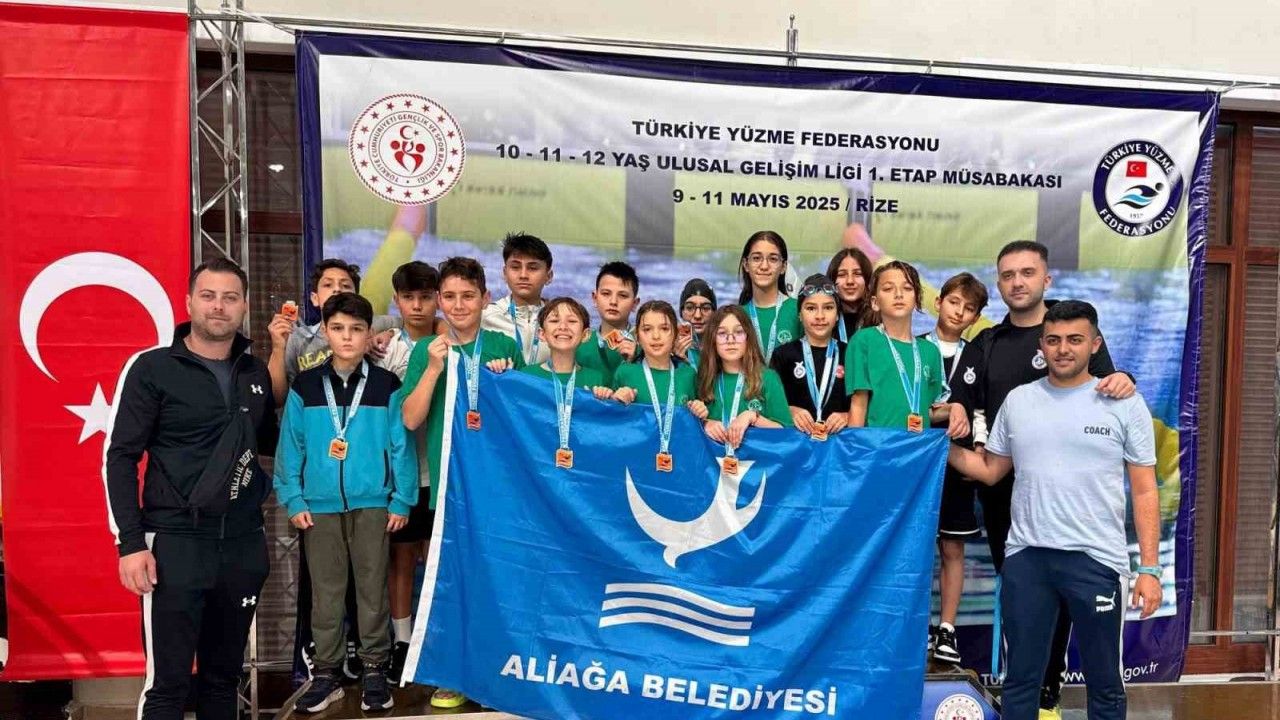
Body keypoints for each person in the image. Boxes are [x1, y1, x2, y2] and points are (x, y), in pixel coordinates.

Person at [946, 300, 1161, 720]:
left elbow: (1144, 490)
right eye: (1054, 340)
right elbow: (990, 470)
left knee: (1105, 683)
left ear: (1095, 344)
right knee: (1020, 683)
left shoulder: (1123, 403)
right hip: (1028, 559)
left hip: (1096, 560)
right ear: (1041, 345)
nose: (1063, 349)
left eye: (1075, 340)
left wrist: (1149, 569)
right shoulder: (1019, 401)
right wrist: (935, 446)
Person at [105, 258, 279, 720]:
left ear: (244, 306)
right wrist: (130, 544)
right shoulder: (153, 368)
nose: (218, 306)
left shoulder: (255, 373)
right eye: (208, 296)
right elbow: (120, 457)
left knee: (223, 680)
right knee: (168, 684)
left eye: (230, 297)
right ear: (188, 302)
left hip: (243, 545)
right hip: (175, 544)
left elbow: (273, 445)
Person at [274, 292, 417, 713]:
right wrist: (293, 496)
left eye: (356, 329)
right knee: (326, 593)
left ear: (369, 333)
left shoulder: (386, 385)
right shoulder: (305, 386)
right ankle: (327, 674)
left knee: (372, 590)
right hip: (318, 507)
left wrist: (402, 499)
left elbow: (401, 446)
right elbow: (291, 446)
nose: (348, 337)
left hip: (373, 504)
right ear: (326, 331)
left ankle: (374, 668)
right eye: (338, 328)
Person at [400, 257, 523, 709]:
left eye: (468, 296)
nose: (458, 305)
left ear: (485, 298)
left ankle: (493, 674)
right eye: (449, 296)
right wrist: (434, 369)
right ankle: (451, 675)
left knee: (495, 580)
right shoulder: (426, 350)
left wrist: (508, 378)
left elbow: (524, 416)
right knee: (450, 582)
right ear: (438, 300)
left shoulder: (503, 344)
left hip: (496, 488)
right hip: (448, 487)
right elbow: (410, 419)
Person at [375, 261, 440, 682]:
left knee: (436, 560)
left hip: (440, 473)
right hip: (400, 475)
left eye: (425, 297)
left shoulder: (449, 343)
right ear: (397, 301)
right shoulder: (384, 349)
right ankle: (401, 641)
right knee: (400, 558)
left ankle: (434, 639)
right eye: (408, 298)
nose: (417, 305)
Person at [921, 272, 989, 666]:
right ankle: (917, 625)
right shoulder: (915, 348)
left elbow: (980, 409)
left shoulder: (977, 358)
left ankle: (946, 629)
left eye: (969, 308)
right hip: (918, 465)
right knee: (914, 548)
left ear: (975, 317)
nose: (959, 312)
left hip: (957, 465)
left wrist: (979, 446)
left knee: (952, 548)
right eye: (953, 302)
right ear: (938, 302)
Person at [846, 261, 968, 437]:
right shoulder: (864, 341)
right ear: (875, 302)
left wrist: (954, 408)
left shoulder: (930, 351)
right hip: (879, 447)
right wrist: (854, 450)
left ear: (917, 299)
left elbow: (926, 411)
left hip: (918, 449)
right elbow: (858, 404)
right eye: (888, 289)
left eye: (907, 288)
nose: (898, 294)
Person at [267, 259, 399, 405]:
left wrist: (390, 333)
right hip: (313, 412)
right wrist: (278, 348)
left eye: (345, 285)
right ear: (314, 298)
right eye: (328, 285)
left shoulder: (372, 324)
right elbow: (277, 399)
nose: (337, 289)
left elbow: (408, 324)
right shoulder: (297, 337)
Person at [697, 306, 792, 458]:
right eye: (722, 333)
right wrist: (705, 424)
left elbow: (787, 433)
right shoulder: (704, 380)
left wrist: (752, 417)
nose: (730, 340)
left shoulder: (768, 378)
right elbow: (687, 428)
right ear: (713, 340)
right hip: (713, 468)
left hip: (759, 467)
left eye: (738, 332)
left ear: (748, 337)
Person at [770, 274, 851, 440]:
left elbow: (865, 404)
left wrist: (848, 416)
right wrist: (789, 410)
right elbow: (768, 404)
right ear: (800, 315)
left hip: (839, 446)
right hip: (796, 445)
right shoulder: (782, 355)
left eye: (828, 308)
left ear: (837, 315)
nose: (820, 316)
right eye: (811, 308)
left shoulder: (850, 353)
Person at [481, 232, 555, 366]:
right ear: (505, 273)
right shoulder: (486, 316)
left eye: (533, 268)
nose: (523, 275)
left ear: (549, 276)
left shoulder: (560, 320)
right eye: (515, 267)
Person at [613, 300, 699, 406]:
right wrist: (615, 399)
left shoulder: (688, 374)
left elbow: (696, 413)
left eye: (664, 329)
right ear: (637, 336)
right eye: (647, 329)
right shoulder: (625, 372)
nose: (656, 336)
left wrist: (699, 410)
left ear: (676, 335)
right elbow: (611, 413)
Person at [737, 231, 800, 363]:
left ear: (783, 267)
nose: (764, 266)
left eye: (773, 259)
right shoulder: (737, 316)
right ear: (746, 264)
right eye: (756, 258)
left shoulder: (799, 310)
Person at [576, 260, 640, 384]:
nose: (613, 302)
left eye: (623, 295)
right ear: (595, 298)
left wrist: (634, 361)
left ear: (634, 304)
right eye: (606, 294)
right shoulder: (579, 344)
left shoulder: (645, 346)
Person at [826, 247, 874, 344]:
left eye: (857, 274)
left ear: (868, 280)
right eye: (842, 275)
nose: (850, 281)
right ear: (832, 281)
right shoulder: (823, 320)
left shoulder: (878, 321)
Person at [674, 278, 716, 368]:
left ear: (715, 314)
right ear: (681, 312)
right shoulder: (668, 347)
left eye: (706, 308)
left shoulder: (724, 346)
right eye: (689, 308)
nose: (698, 315)